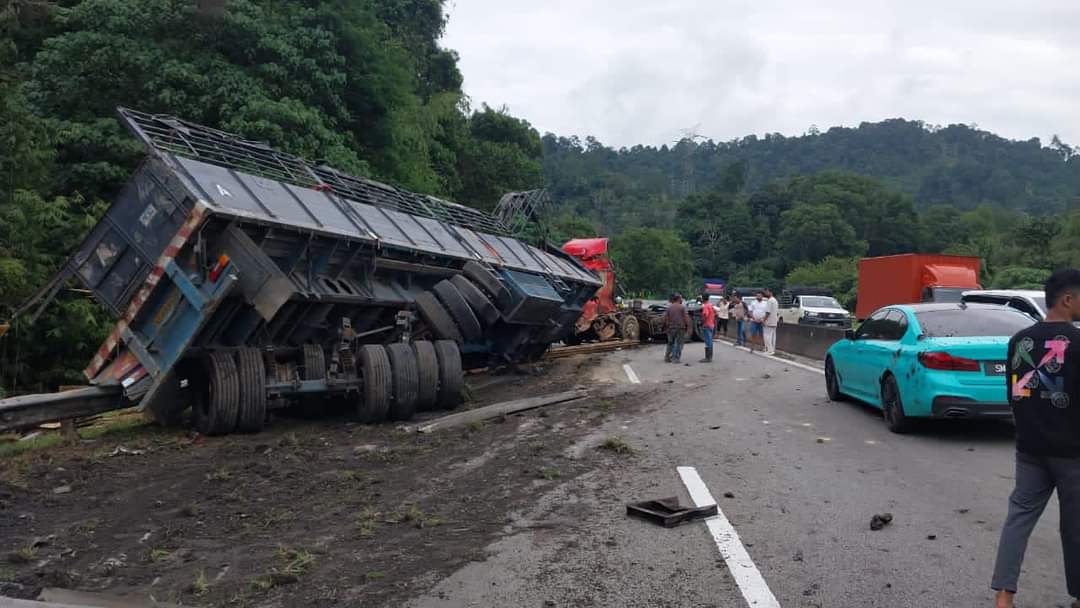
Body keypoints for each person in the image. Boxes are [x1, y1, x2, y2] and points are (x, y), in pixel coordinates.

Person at [992, 269, 1080, 608]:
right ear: (1068, 299)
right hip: (1072, 452)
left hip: (1029, 448)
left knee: (1019, 517)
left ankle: (1004, 595)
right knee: (1074, 527)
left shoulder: (1019, 340)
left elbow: (1014, 395)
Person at [664, 293, 691, 363]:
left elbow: (666, 319)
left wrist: (667, 328)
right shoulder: (682, 307)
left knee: (670, 343)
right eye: (681, 298)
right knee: (679, 343)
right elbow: (686, 318)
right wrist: (689, 328)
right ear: (678, 299)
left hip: (671, 328)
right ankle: (676, 358)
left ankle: (667, 357)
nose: (682, 299)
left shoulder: (669, 308)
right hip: (680, 328)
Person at [699, 293, 716, 363]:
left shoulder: (705, 306)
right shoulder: (710, 305)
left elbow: (705, 315)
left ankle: (708, 358)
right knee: (710, 341)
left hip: (707, 325)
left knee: (707, 341)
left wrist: (701, 322)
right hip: (711, 324)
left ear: (703, 299)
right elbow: (715, 313)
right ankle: (709, 357)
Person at [763, 288, 780, 355]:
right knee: (773, 336)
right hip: (774, 320)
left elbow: (768, 312)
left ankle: (770, 350)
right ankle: (772, 350)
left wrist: (764, 320)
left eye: (767, 292)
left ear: (770, 292)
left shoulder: (770, 300)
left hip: (769, 321)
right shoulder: (775, 300)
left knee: (767, 336)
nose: (765, 293)